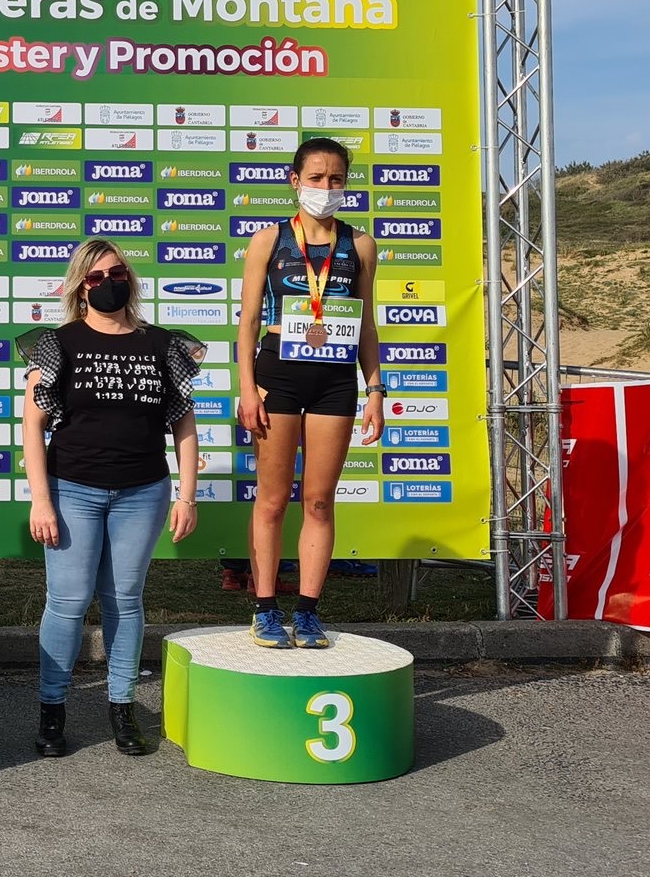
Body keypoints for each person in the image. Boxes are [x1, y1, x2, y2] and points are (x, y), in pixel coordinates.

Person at [22, 239, 199, 758]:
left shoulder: (164, 345)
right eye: (95, 277)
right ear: (79, 287)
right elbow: (34, 426)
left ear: (131, 278)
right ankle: (51, 713)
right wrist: (40, 499)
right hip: (71, 488)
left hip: (142, 491)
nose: (107, 283)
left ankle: (122, 708)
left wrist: (187, 495)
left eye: (116, 273)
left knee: (125, 600)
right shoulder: (57, 344)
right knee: (68, 602)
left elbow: (184, 426)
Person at [236, 138, 386, 649]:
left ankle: (308, 612)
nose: (326, 187)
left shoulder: (359, 245)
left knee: (320, 501)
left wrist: (375, 389)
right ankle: (264, 609)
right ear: (294, 180)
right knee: (274, 501)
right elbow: (250, 321)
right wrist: (245, 389)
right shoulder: (269, 240)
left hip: (334, 379)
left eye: (336, 178)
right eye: (316, 178)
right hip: (277, 373)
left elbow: (367, 324)